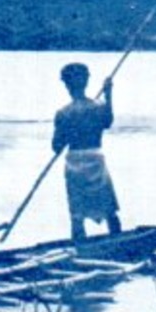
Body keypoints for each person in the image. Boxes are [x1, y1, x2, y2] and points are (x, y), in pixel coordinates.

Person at [52, 62, 122, 241]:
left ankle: (79, 245)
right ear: (86, 82)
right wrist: (108, 95)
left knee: (77, 212)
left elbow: (56, 146)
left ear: (66, 85)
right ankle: (118, 241)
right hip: (95, 160)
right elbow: (107, 122)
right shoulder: (98, 107)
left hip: (74, 163)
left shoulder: (63, 113)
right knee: (109, 209)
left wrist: (69, 132)